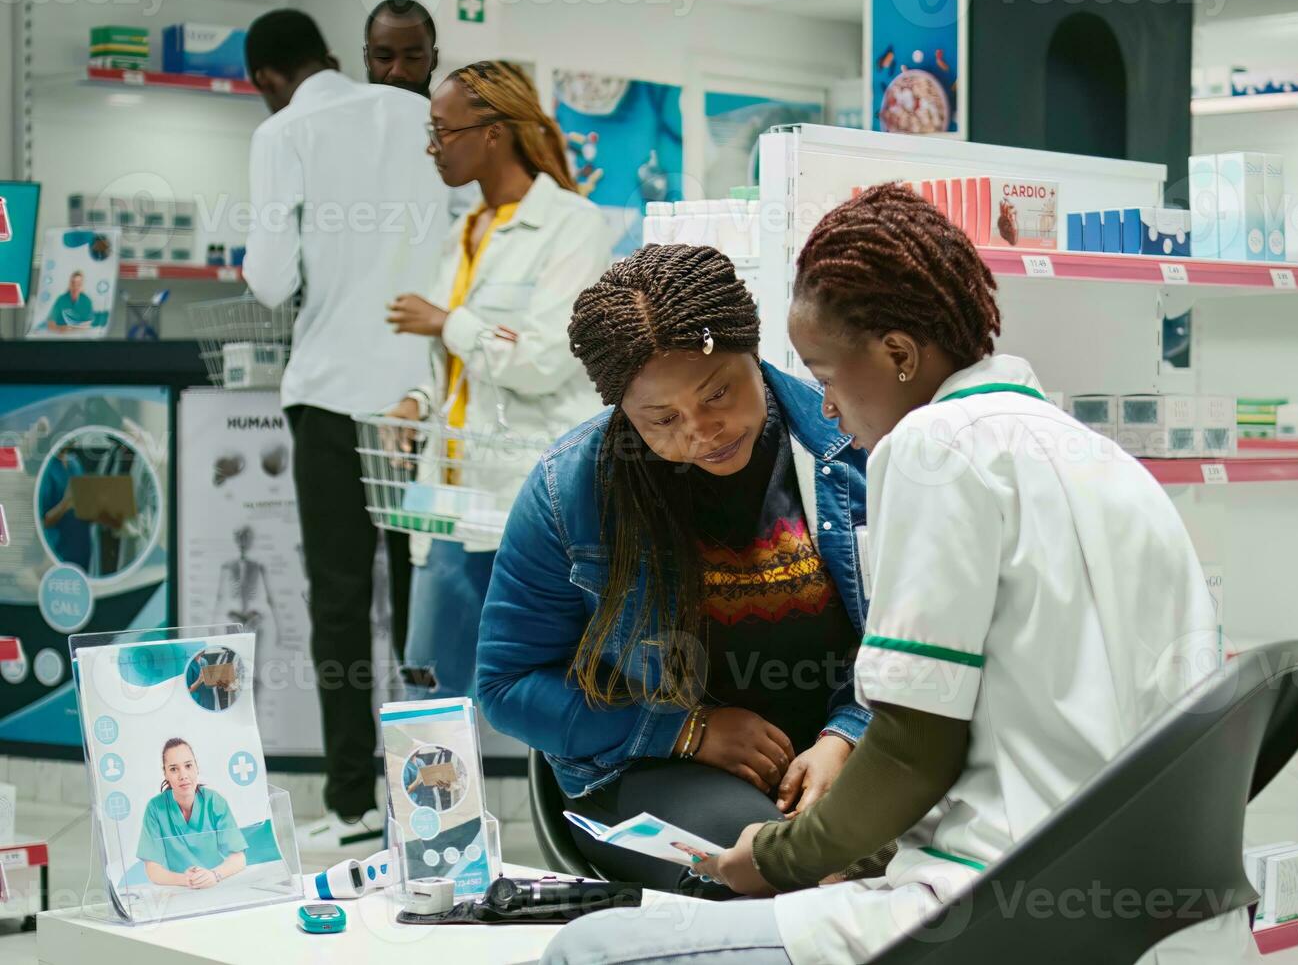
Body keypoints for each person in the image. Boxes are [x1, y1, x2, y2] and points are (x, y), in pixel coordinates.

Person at [541, 185, 1246, 963]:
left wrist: (776, 856)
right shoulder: (1104, 464)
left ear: (900, 356)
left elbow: (914, 747)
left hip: (1002, 904)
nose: (828, 411)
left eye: (827, 377)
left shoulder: (930, 450)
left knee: (590, 949)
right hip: (1164, 912)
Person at [478, 244, 872, 898]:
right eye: (660, 419)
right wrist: (682, 730)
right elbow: (506, 685)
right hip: (647, 771)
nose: (701, 431)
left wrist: (847, 735)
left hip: (835, 753)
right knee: (793, 880)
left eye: (719, 392)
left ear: (753, 348)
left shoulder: (852, 447)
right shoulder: (568, 489)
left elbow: (911, 638)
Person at [241, 8, 449, 851]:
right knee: (421, 606)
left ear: (264, 78)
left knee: (338, 604)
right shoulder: (431, 118)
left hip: (328, 396)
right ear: (339, 56)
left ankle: (354, 806)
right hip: (418, 399)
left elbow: (266, 280)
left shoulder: (286, 131)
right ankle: (437, 801)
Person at [380, 61, 611, 701]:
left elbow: (541, 357)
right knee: (429, 686)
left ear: (493, 134)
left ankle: (550, 804)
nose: (433, 149)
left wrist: (447, 321)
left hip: (522, 493)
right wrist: (417, 400)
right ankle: (436, 805)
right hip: (449, 495)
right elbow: (454, 366)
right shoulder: (466, 231)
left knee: (544, 686)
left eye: (442, 133)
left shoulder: (573, 226)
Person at [138, 738, 247, 889]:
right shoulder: (155, 808)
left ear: (196, 767)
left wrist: (213, 875)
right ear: (165, 773)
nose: (183, 775)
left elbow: (239, 858)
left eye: (188, 766)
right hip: (178, 891)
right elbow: (153, 870)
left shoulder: (214, 801)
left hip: (218, 885)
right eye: (174, 769)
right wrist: (186, 880)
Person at [363, 0, 437, 97]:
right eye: (384, 57)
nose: (397, 72)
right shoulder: (342, 111)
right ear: (367, 58)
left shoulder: (455, 112)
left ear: (434, 60)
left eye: (413, 57)